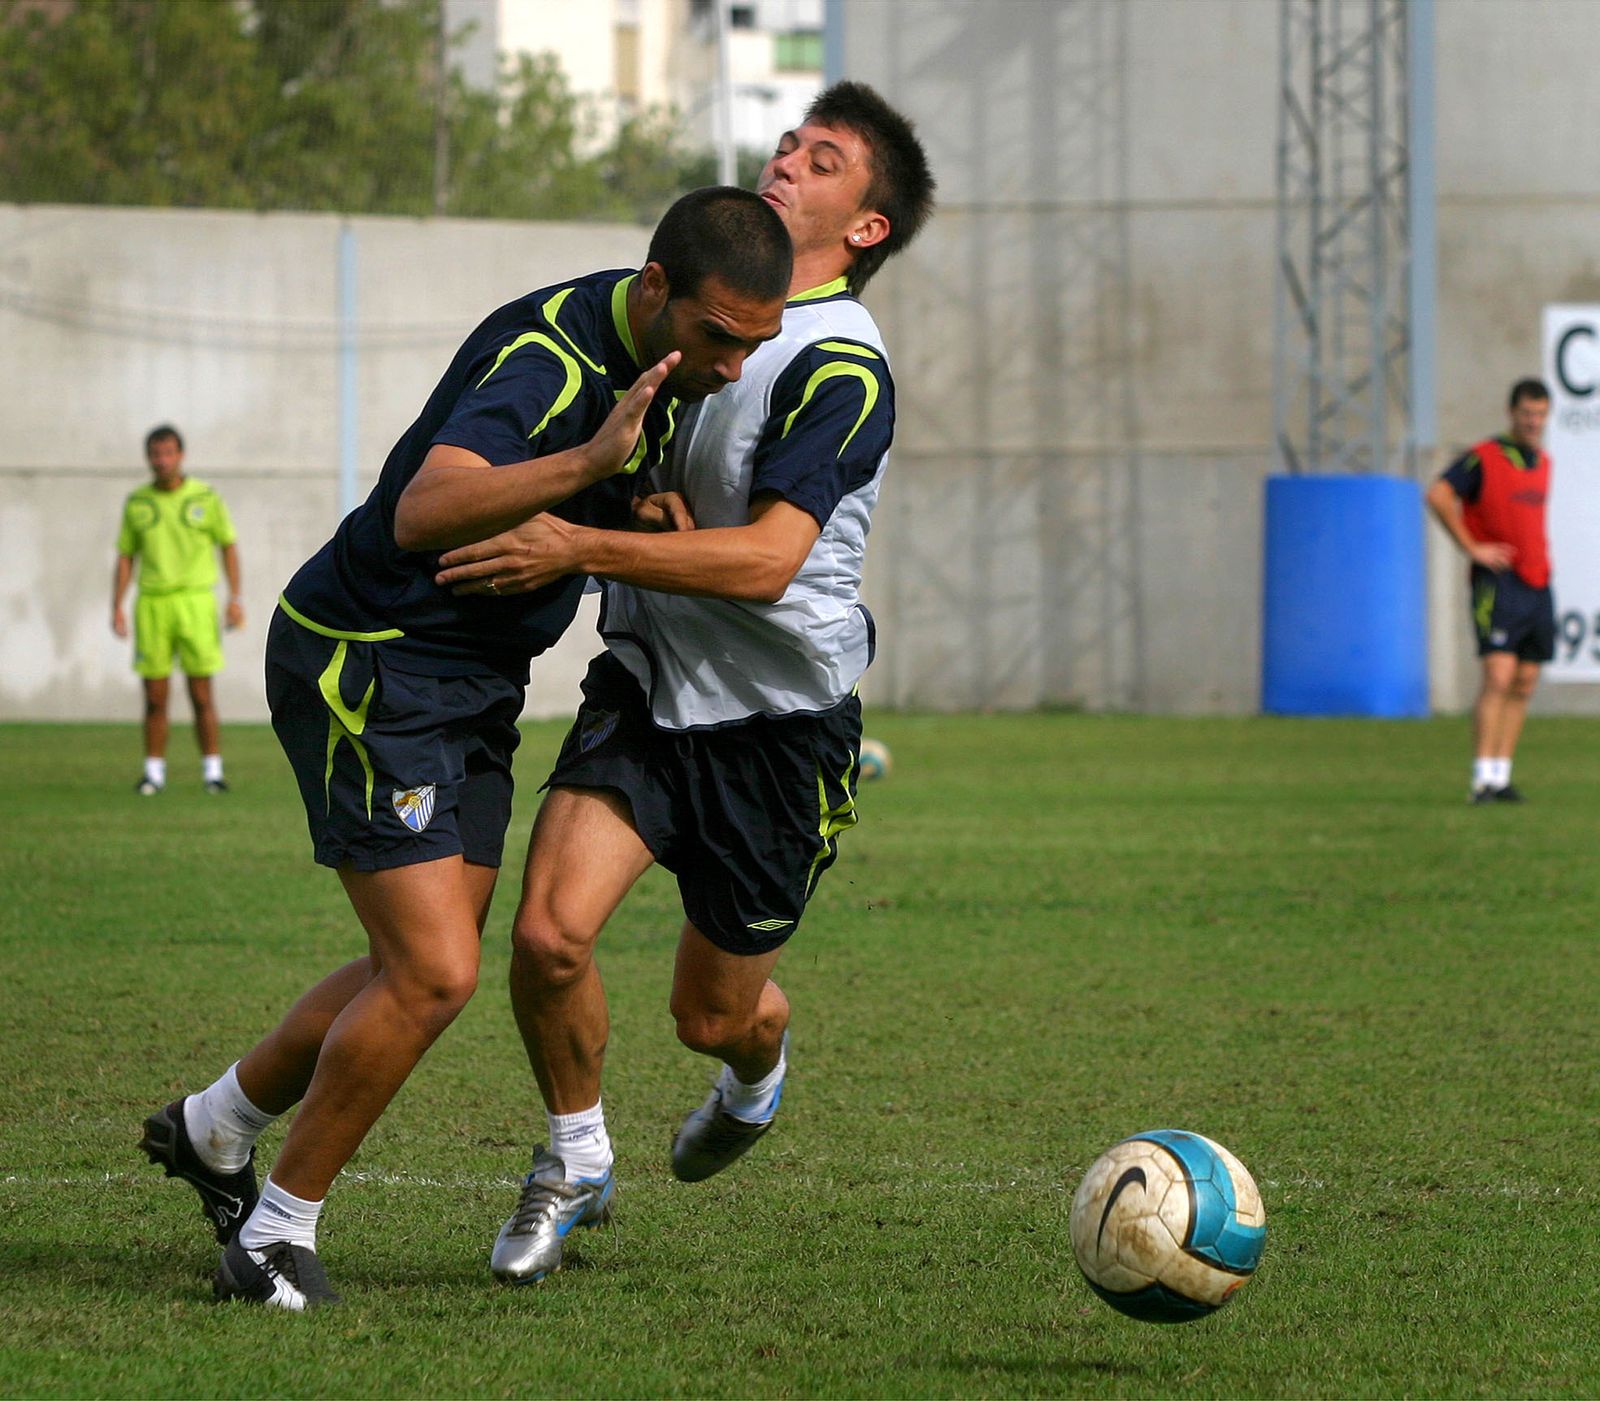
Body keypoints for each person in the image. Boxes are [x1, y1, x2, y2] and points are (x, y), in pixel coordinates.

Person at [137, 187, 792, 1310]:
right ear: (654, 290)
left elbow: (575, 511)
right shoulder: (550, 358)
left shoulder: (660, 360)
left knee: (411, 966)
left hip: (469, 685)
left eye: (753, 345)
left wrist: (631, 513)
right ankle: (273, 1237)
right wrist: (589, 467)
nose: (731, 367)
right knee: (435, 972)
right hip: (373, 666)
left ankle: (215, 1127)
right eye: (717, 336)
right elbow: (425, 509)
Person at [431, 81, 936, 1284]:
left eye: (822, 160)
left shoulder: (843, 366)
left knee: (710, 1016)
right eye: (789, 142)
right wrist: (631, 502)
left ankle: (755, 1074)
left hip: (779, 728)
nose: (787, 159)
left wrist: (580, 545)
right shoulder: (698, 306)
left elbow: (766, 563)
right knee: (547, 936)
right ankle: (576, 1158)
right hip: (648, 688)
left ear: (865, 227)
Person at [1425, 377, 1554, 804]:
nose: (1533, 422)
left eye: (1540, 414)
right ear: (1511, 413)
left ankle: (1501, 775)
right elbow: (1439, 494)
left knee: (1525, 680)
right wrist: (1471, 547)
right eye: (1527, 413)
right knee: (1498, 674)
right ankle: (1481, 779)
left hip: (1537, 581)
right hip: (1498, 581)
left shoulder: (1543, 462)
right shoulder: (1483, 457)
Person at [112, 425, 243, 795]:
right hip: (153, 603)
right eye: (155, 454)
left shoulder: (205, 497)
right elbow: (126, 556)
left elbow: (228, 546)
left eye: (168, 453)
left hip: (195, 602)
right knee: (155, 696)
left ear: (180, 455)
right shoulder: (138, 502)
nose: (162, 460)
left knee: (202, 693)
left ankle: (213, 772)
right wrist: (116, 605)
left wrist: (236, 598)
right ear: (148, 458)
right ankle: (153, 773)